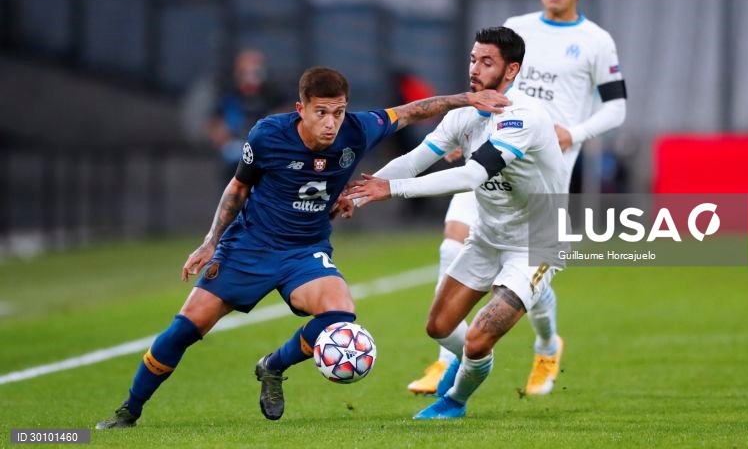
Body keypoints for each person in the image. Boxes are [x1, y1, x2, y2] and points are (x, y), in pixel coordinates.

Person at [94, 67, 509, 429]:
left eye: (338, 111)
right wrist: (210, 241)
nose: (331, 123)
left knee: (340, 315)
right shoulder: (268, 135)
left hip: (304, 251)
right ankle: (129, 410)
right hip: (249, 247)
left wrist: (468, 98)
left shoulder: (358, 128)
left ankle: (273, 366)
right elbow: (238, 187)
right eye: (322, 112)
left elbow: (415, 110)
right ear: (302, 109)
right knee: (185, 328)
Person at [406, 0, 627, 396]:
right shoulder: (516, 30)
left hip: (542, 168)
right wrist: (463, 134)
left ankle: (547, 343)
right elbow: (489, 89)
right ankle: (450, 358)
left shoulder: (596, 41)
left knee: (524, 267)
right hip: (490, 153)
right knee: (453, 246)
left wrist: (577, 131)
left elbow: (617, 108)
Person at [348, 26, 568, 419]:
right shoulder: (464, 115)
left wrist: (392, 189)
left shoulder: (523, 118)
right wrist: (362, 190)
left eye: (487, 62)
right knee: (438, 326)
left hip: (536, 243)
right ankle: (474, 361)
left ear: (511, 70)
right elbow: (415, 160)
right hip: (488, 237)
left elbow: (471, 177)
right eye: (472, 59)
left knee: (479, 336)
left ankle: (455, 401)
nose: (475, 69)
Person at [208, 49, 290, 185]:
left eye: (255, 71)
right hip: (235, 156)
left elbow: (287, 119)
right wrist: (224, 141)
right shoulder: (227, 95)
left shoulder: (274, 95)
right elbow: (215, 125)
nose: (250, 76)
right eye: (245, 72)